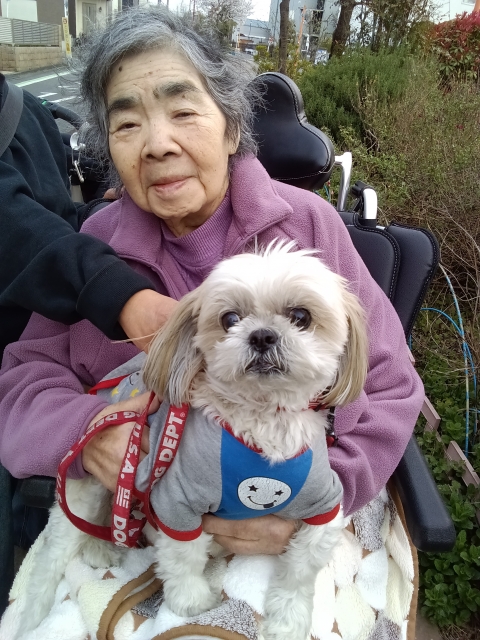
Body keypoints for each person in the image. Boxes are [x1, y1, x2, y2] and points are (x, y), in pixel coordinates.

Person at [0, 5, 424, 636]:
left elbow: (392, 384)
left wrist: (317, 494)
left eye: (183, 110)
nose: (157, 143)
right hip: (134, 518)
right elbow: (21, 385)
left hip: (294, 520)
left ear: (231, 127)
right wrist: (88, 436)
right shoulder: (88, 248)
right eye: (127, 123)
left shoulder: (308, 224)